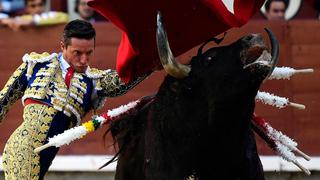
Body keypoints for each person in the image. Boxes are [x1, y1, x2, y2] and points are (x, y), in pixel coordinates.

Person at [0, 19, 147, 179]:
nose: (84, 60)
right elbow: (3, 100)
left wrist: (150, 63)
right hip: (22, 146)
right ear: (63, 46)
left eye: (89, 53)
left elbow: (122, 80)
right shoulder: (36, 65)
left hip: (46, 156)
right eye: (77, 53)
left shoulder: (94, 80)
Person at [1, 0, 68, 31]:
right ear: (26, 8)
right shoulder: (23, 18)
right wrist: (4, 20)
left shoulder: (50, 15)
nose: (37, 8)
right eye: (33, 6)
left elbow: (64, 17)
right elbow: (10, 20)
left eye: (40, 4)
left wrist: (33, 21)